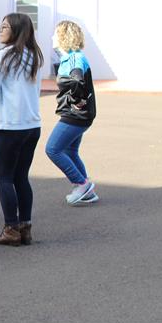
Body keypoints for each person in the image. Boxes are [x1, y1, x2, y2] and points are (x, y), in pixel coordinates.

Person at [0, 13, 44, 246]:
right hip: (32, 125)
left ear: (16, 30)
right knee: (21, 177)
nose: (0, 30)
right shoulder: (34, 56)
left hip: (9, 125)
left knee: (5, 178)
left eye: (4, 27)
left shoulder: (2, 56)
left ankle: (10, 229)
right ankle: (25, 228)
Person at [46, 20, 98, 205]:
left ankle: (81, 184)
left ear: (63, 36)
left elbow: (76, 81)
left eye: (55, 33)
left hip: (75, 115)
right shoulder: (70, 57)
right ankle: (87, 190)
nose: (52, 37)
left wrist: (75, 101)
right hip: (77, 114)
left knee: (52, 149)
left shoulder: (75, 59)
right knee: (70, 150)